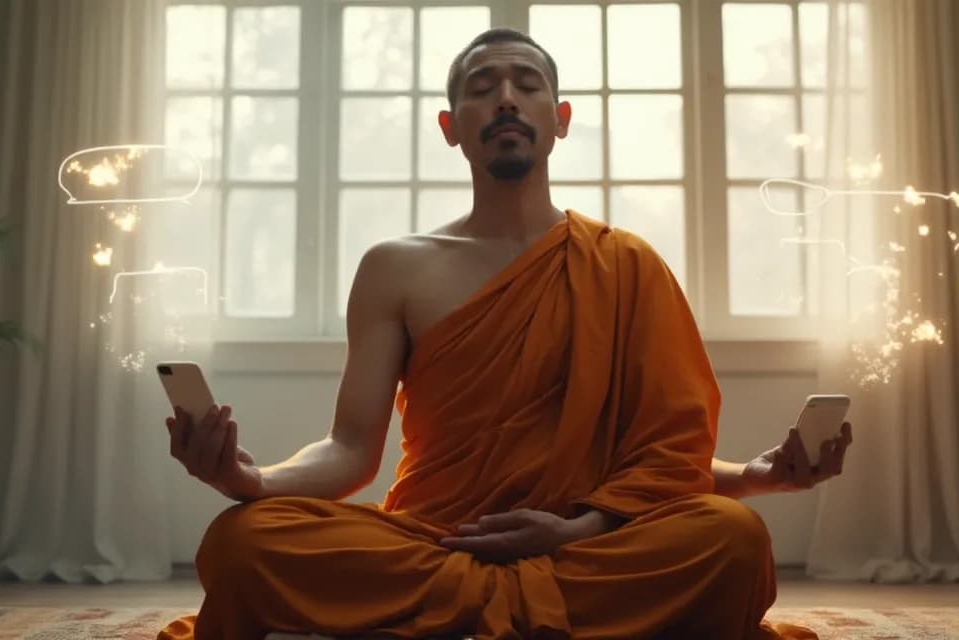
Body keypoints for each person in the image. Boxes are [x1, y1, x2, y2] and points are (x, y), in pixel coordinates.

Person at [158, 27, 854, 640]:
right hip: (438, 538)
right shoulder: (396, 268)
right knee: (241, 542)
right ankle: (548, 615)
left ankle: (440, 619)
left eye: (528, 85)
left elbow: (659, 457)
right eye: (481, 88)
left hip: (586, 542)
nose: (506, 101)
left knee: (731, 541)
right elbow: (349, 450)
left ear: (560, 118)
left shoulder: (625, 263)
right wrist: (252, 479)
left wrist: (601, 522)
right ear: (450, 126)